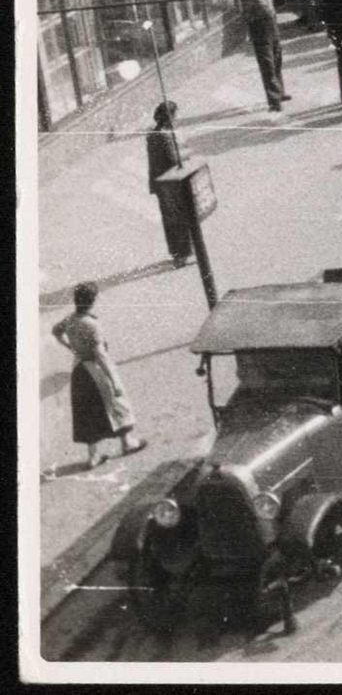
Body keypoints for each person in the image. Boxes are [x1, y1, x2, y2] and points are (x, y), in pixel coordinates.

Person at [51, 284, 146, 468]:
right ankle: (127, 442)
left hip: (79, 371)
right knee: (116, 403)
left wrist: (70, 347)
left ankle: (93, 457)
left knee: (85, 412)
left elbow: (56, 331)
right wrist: (115, 380)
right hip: (95, 370)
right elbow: (100, 355)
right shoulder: (91, 324)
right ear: (92, 301)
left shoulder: (70, 319)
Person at [144, 102, 192, 266]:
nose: (177, 118)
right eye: (175, 115)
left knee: (169, 219)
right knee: (180, 217)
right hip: (172, 183)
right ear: (170, 117)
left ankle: (176, 253)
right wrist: (185, 151)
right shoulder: (166, 135)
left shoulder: (151, 134)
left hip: (159, 184)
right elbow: (173, 159)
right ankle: (183, 253)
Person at [241, 0, 290, 112]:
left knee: (277, 59)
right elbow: (247, 15)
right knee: (267, 64)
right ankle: (274, 101)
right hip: (260, 28)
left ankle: (280, 92)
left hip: (272, 27)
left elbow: (272, 8)